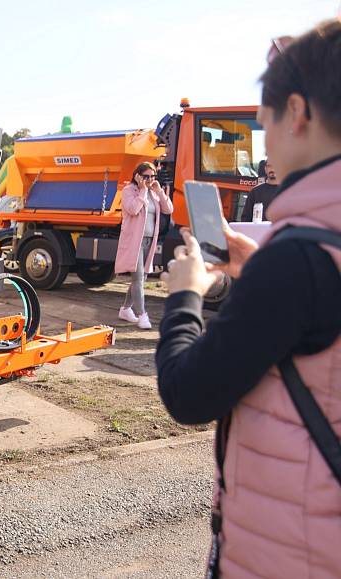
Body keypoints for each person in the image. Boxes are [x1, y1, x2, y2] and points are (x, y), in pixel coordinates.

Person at [156, 19, 341, 578]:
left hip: (294, 548)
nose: (267, 147)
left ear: (298, 113)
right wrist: (258, 269)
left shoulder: (297, 259)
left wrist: (185, 296)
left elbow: (188, 393)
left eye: (264, 125)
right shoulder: (306, 258)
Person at [115, 161, 174, 329]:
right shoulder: (129, 191)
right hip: (134, 241)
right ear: (137, 176)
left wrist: (159, 191)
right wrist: (142, 190)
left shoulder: (153, 192)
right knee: (139, 279)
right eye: (146, 176)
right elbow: (133, 209)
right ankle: (142, 315)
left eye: (152, 176)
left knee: (142, 278)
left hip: (150, 240)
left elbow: (168, 209)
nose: (149, 179)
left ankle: (126, 309)